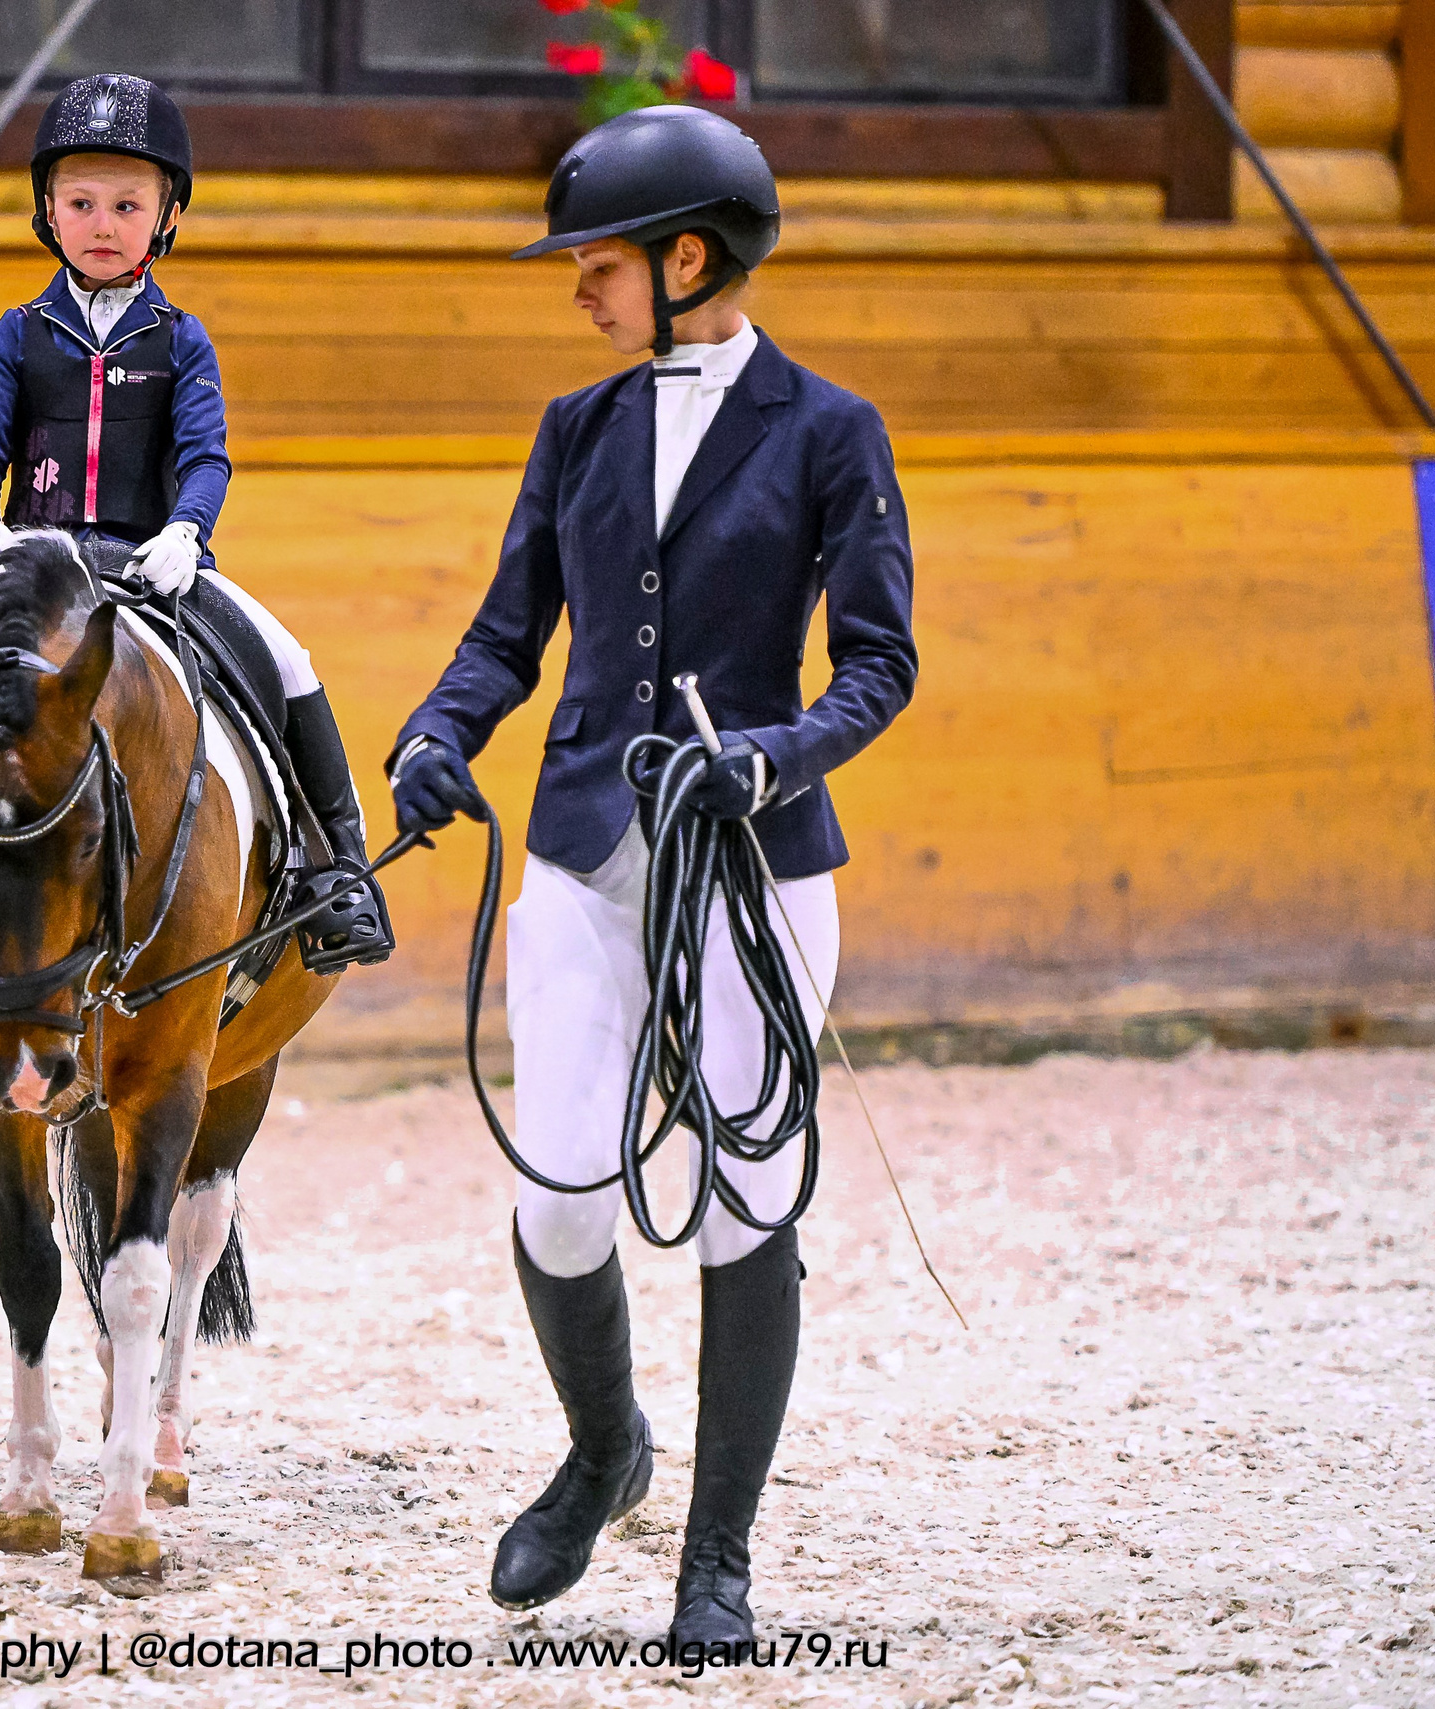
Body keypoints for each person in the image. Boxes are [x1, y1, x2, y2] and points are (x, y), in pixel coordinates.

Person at [387, 106, 917, 1644]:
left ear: (690, 259)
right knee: (558, 1194)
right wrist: (437, 732)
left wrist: (769, 754)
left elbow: (877, 665)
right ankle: (604, 1447)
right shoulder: (577, 427)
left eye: (597, 264)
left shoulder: (828, 430)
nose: (578, 291)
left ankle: (717, 1557)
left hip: (751, 864)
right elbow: (506, 634)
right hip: (580, 854)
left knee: (746, 1197)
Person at [0, 73, 392, 975]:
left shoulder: (181, 339)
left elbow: (204, 459)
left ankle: (336, 867)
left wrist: (186, 532)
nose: (102, 224)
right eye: (81, 203)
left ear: (164, 217)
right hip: (36, 563)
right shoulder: (19, 332)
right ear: (48, 211)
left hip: (156, 561)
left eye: (125, 205)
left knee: (288, 657)